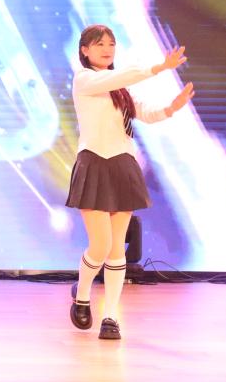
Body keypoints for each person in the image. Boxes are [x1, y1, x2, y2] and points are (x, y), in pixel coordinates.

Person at [67, 24, 193, 340]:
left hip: (123, 164)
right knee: (100, 245)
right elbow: (120, 78)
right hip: (93, 162)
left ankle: (110, 315)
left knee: (116, 247)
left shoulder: (121, 89)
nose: (107, 49)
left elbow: (145, 112)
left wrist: (171, 108)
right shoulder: (85, 79)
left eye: (111, 44)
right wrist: (159, 67)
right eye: (99, 44)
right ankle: (82, 294)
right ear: (85, 50)